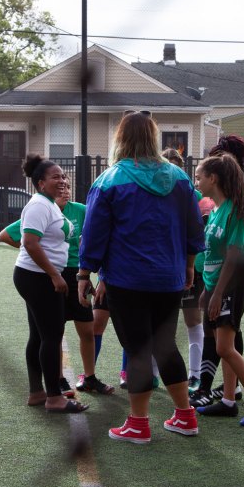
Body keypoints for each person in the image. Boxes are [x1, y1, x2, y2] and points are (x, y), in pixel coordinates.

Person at [78, 111, 205, 444]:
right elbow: (194, 229)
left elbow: (94, 234)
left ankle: (138, 423)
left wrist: (84, 273)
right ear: (154, 136)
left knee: (137, 349)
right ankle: (185, 416)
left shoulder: (110, 180)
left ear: (120, 138)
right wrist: (189, 266)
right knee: (165, 346)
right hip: (169, 278)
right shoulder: (179, 178)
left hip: (127, 279)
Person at [0, 182, 114, 396]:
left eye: (68, 186)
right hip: (53, 275)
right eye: (59, 187)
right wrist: (36, 250)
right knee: (54, 332)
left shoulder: (81, 210)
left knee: (87, 329)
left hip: (79, 275)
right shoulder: (42, 210)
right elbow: (6, 235)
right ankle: (58, 380)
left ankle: (89, 377)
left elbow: (100, 232)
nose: (65, 191)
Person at [192, 154, 244, 427]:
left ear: (213, 179)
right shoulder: (216, 209)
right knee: (225, 347)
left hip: (231, 287)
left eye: (199, 176)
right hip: (216, 287)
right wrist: (207, 289)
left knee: (225, 347)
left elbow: (235, 254)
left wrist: (219, 292)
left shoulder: (237, 209)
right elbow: (213, 254)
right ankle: (227, 401)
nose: (196, 181)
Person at [12, 154, 89, 413]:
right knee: (51, 336)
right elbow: (30, 243)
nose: (62, 180)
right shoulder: (39, 205)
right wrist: (54, 275)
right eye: (55, 176)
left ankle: (37, 392)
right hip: (38, 277)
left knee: (39, 336)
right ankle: (54, 397)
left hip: (37, 276)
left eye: (63, 176)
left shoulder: (49, 204)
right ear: (40, 182)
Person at [162, 147, 210, 393]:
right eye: (166, 165)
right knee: (159, 323)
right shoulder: (154, 194)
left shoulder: (191, 195)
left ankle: (195, 375)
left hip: (188, 267)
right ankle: (151, 374)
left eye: (175, 166)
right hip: (161, 267)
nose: (171, 170)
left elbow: (198, 233)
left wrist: (190, 264)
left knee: (192, 320)